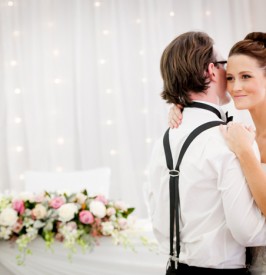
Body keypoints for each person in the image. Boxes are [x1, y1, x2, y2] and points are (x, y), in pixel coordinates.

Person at [147, 31, 266, 275]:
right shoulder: (232, 137)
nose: (234, 85)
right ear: (212, 71)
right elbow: (246, 231)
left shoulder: (166, 137)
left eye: (245, 76)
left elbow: (156, 213)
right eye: (229, 74)